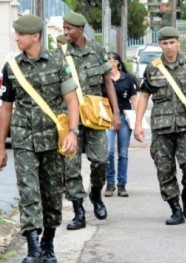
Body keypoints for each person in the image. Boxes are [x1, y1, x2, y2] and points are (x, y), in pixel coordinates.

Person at [0, 15, 79, 263]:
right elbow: (6, 108)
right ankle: (33, 247)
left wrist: (73, 132)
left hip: (52, 140)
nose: (16, 38)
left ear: (35, 36)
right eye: (15, 34)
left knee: (52, 193)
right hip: (23, 139)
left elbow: (72, 100)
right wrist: (1, 145)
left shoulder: (58, 63)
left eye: (20, 34)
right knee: (28, 192)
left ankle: (48, 244)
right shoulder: (10, 67)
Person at [134, 26, 186, 225]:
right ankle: (175, 208)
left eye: (172, 42)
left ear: (178, 43)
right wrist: (139, 124)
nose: (169, 47)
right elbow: (144, 95)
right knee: (164, 169)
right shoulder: (153, 68)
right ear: (160, 45)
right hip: (161, 127)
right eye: (165, 43)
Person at [61, 12, 121, 230]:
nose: (65, 32)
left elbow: (108, 82)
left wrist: (116, 113)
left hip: (95, 117)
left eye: (69, 28)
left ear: (80, 29)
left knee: (101, 160)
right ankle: (78, 212)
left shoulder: (97, 51)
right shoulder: (60, 54)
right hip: (70, 120)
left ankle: (96, 193)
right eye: (64, 28)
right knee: (71, 167)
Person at [103, 52, 138, 197]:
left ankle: (121, 185)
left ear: (117, 62)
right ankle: (110, 184)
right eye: (107, 60)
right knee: (109, 151)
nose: (110, 62)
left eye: (112, 60)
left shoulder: (127, 78)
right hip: (107, 117)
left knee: (123, 152)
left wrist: (139, 121)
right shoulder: (103, 79)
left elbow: (134, 99)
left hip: (125, 117)